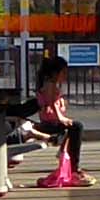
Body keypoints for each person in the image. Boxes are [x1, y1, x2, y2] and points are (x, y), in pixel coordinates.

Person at [29, 49, 84, 187]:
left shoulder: (50, 84)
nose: (65, 76)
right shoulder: (50, 85)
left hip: (52, 120)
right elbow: (51, 102)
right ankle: (74, 168)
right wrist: (61, 118)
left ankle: (72, 165)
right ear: (55, 73)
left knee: (74, 128)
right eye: (63, 72)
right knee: (76, 127)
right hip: (50, 122)